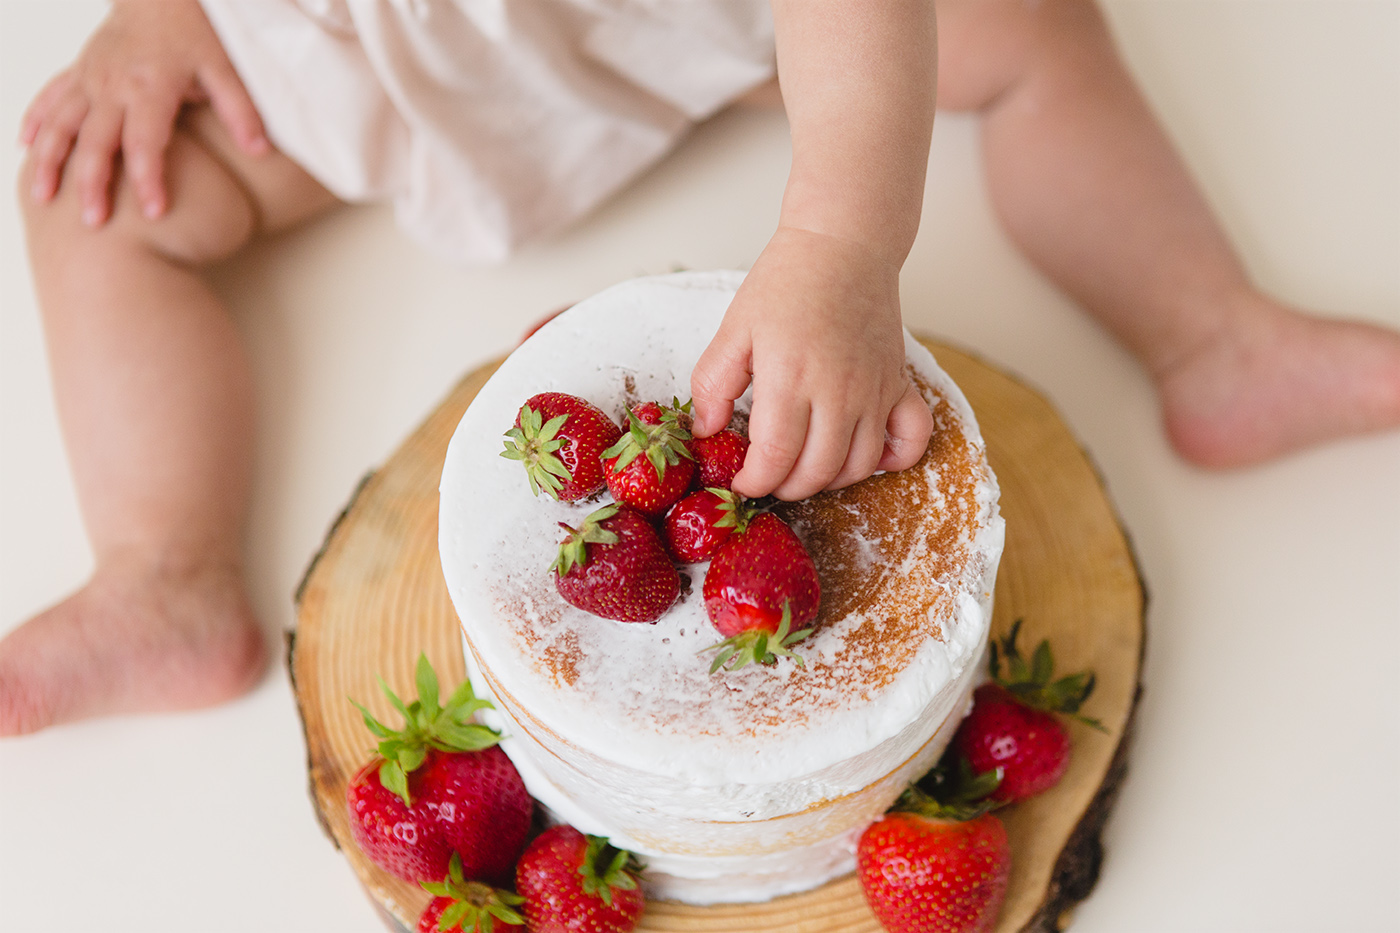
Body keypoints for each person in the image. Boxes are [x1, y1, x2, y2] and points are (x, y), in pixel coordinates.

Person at [4, 0, 1398, 737]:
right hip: (367, 52)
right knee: (93, 195)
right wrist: (153, 12)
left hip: (688, 26)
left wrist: (840, 234)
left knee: (1028, 22)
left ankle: (1212, 334)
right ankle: (161, 572)